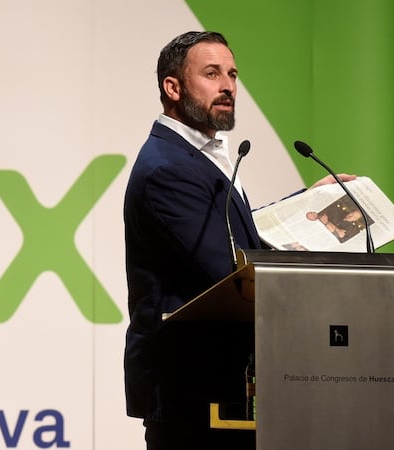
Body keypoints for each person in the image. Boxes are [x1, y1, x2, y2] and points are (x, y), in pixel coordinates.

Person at [122, 30, 356, 450]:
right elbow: (226, 271)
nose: (228, 85)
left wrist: (311, 206)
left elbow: (233, 233)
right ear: (172, 87)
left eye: (232, 74)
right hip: (192, 389)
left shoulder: (198, 154)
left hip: (221, 383)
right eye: (211, 74)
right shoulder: (167, 168)